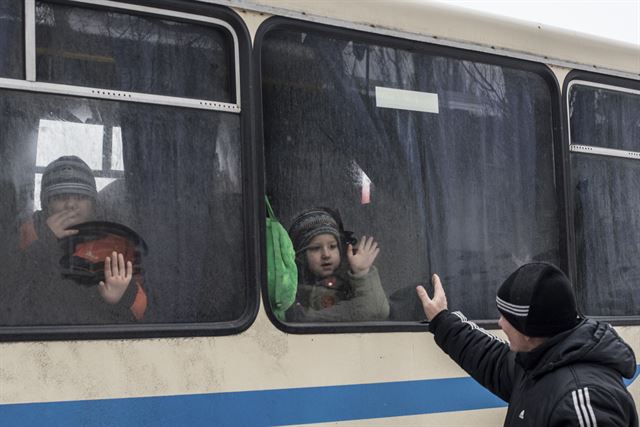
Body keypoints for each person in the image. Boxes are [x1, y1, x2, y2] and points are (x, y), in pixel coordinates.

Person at [416, 262, 638, 426]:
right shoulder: (538, 360)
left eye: (507, 318)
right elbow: (489, 359)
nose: (500, 323)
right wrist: (441, 319)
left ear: (530, 332)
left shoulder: (583, 400)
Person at [12, 155, 146, 324]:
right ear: (46, 204)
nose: (70, 205)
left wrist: (125, 294)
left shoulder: (115, 243)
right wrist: (47, 238)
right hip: (34, 333)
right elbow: (14, 285)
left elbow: (144, 311)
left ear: (93, 203)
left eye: (81, 197)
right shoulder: (28, 232)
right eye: (61, 197)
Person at [285, 208, 389, 322]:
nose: (326, 254)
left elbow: (376, 311)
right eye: (315, 248)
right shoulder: (290, 292)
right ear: (301, 256)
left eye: (332, 246)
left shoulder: (350, 287)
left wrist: (362, 273)